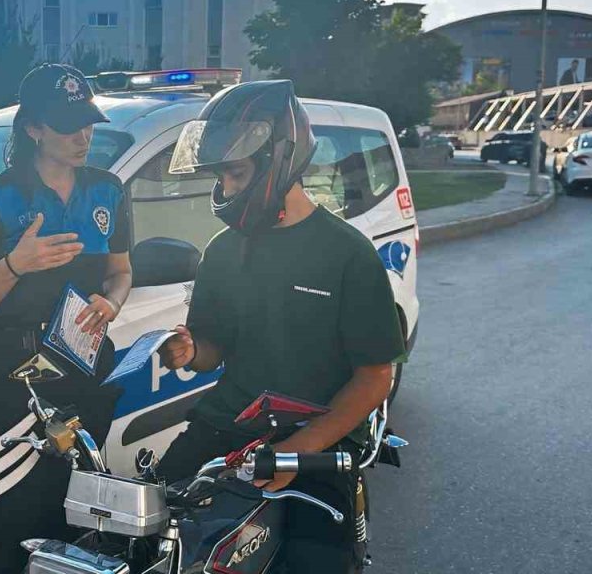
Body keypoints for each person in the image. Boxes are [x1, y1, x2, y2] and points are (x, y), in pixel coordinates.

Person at [156, 80, 407, 573]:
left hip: (319, 441)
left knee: (316, 563)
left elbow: (376, 377)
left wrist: (294, 452)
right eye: (221, 176)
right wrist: (189, 351)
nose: (227, 189)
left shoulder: (347, 254)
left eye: (236, 174)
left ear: (278, 160)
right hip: (229, 423)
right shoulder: (223, 250)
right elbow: (212, 345)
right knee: (152, 533)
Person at [0, 64, 133, 573]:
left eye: (88, 123)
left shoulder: (108, 190)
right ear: (32, 128)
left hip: (85, 380)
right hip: (15, 388)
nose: (83, 137)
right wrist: (16, 264)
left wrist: (112, 303)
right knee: (12, 530)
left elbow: (121, 273)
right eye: (67, 125)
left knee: (73, 526)